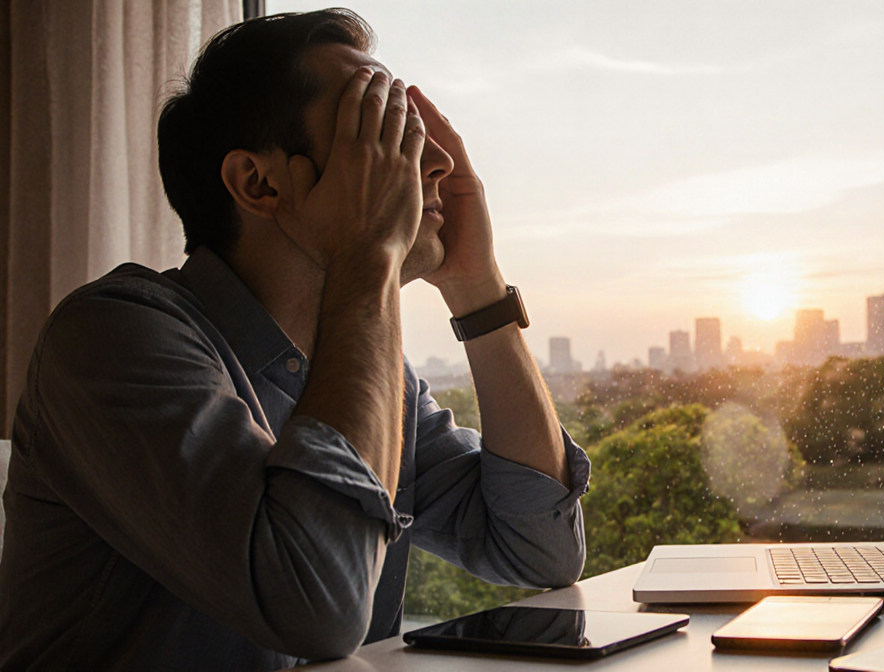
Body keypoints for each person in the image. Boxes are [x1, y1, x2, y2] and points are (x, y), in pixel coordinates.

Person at [0, 9, 589, 671]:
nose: (439, 161)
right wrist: (368, 254)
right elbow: (317, 612)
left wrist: (477, 286)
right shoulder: (114, 337)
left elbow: (540, 548)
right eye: (380, 131)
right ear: (259, 183)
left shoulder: (369, 378)